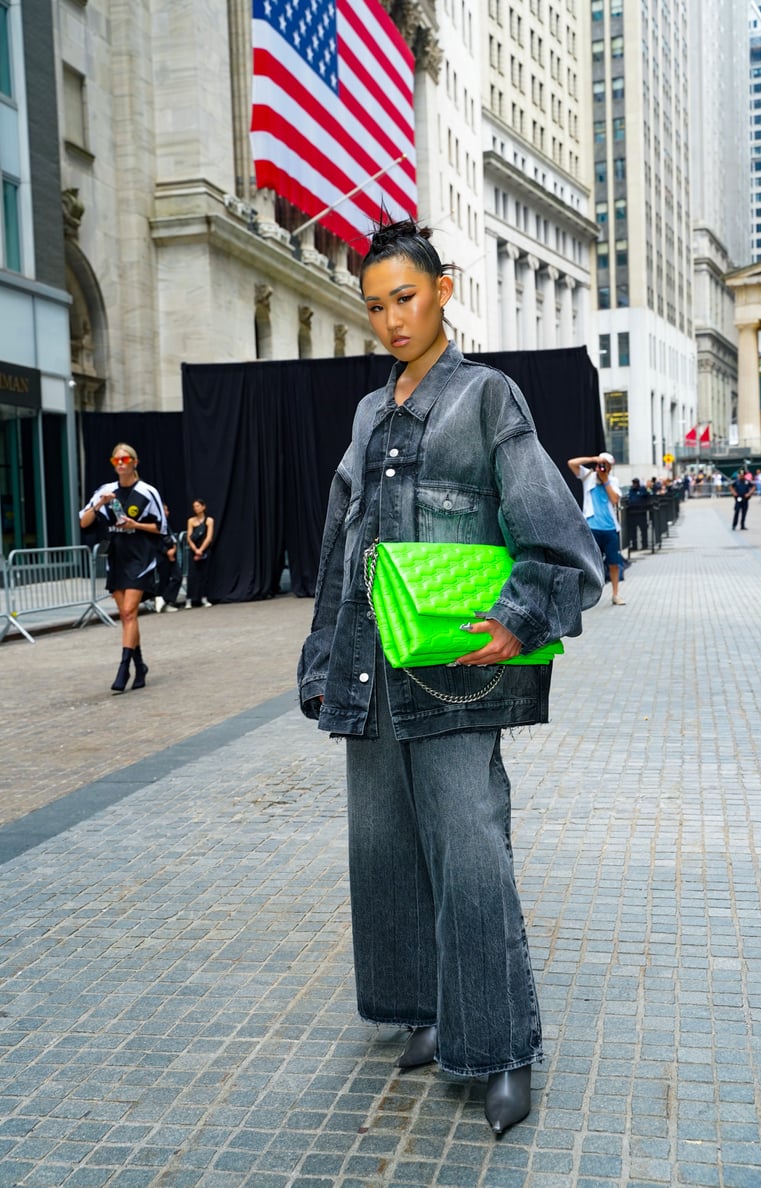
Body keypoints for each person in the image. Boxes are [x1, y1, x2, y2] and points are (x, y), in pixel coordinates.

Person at [297, 217, 603, 1136]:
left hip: (458, 676)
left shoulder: (488, 397)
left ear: (444, 291)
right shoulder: (367, 412)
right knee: (386, 850)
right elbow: (339, 545)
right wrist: (321, 662)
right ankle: (424, 1013)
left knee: (472, 854)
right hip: (373, 672)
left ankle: (501, 1048)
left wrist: (520, 618)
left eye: (407, 297)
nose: (392, 320)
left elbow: (554, 531)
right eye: (376, 305)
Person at [79, 443, 166, 691]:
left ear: (135, 462)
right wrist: (99, 505)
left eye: (125, 459)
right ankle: (140, 666)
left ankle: (124, 668)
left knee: (129, 612)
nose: (120, 463)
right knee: (127, 617)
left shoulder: (148, 492)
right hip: (116, 557)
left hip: (140, 557)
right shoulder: (106, 491)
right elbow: (84, 522)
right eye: (115, 460)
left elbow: (161, 528)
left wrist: (135, 525)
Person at [567, 451, 625, 605]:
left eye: (605, 465)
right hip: (592, 527)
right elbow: (572, 463)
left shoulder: (613, 481)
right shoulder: (588, 477)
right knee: (589, 562)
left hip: (610, 528)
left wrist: (605, 481)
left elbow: (614, 499)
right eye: (601, 464)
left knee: (614, 562)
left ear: (610, 467)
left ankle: (615, 594)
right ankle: (586, 596)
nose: (602, 468)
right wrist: (593, 459)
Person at [186, 499, 214, 607]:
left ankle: (204, 597)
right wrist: (195, 550)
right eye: (194, 506)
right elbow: (189, 536)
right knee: (192, 575)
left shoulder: (209, 520)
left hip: (205, 549)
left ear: (203, 507)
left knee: (204, 575)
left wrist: (201, 550)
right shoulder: (191, 521)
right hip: (194, 550)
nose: (195, 508)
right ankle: (189, 599)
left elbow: (209, 537)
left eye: (198, 506)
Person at [155, 504, 182, 612]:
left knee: (177, 576)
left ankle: (165, 599)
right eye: (164, 510)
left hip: (172, 554)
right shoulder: (156, 524)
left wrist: (174, 549)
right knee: (164, 579)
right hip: (162, 555)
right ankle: (162, 600)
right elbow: (155, 541)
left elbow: (172, 538)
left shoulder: (167, 524)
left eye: (167, 510)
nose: (167, 512)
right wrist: (166, 552)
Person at [626, 477, 650, 551]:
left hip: (641, 513)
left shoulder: (642, 489)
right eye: (633, 483)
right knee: (633, 531)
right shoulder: (631, 490)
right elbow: (629, 500)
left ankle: (645, 545)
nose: (634, 484)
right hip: (632, 513)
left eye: (636, 483)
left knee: (644, 530)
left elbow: (647, 497)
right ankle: (634, 546)